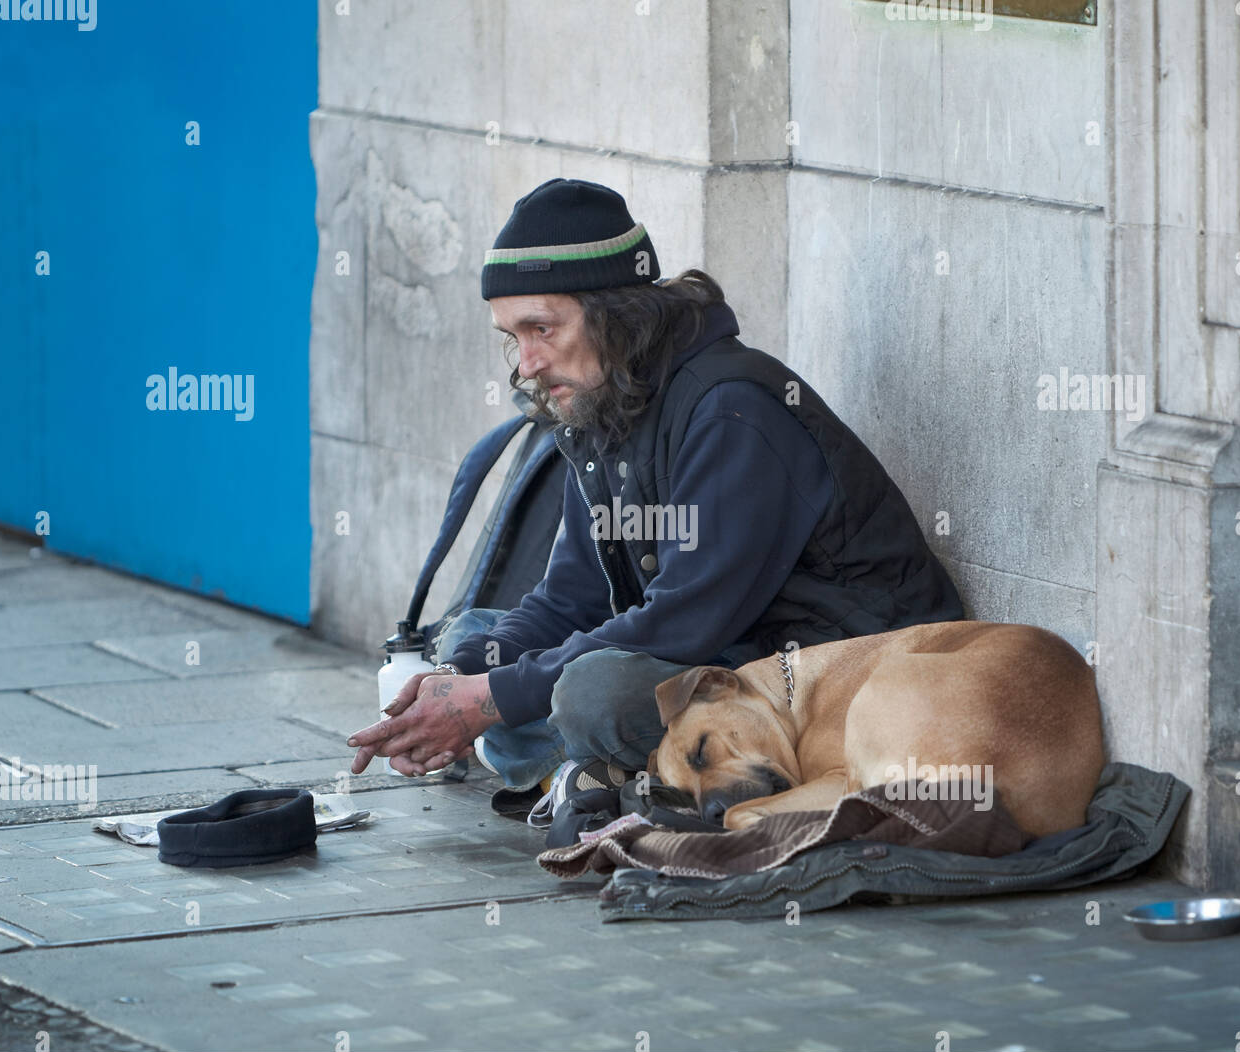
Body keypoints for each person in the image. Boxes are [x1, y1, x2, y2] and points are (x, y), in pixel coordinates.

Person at [349, 178, 963, 806]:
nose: (525, 364)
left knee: (592, 696)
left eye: (541, 329)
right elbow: (568, 600)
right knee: (469, 638)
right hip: (720, 655)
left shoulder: (731, 410)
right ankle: (597, 768)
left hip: (835, 682)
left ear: (615, 314)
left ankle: (600, 767)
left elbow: (681, 623)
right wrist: (457, 680)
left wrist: (494, 700)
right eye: (513, 337)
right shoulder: (602, 406)